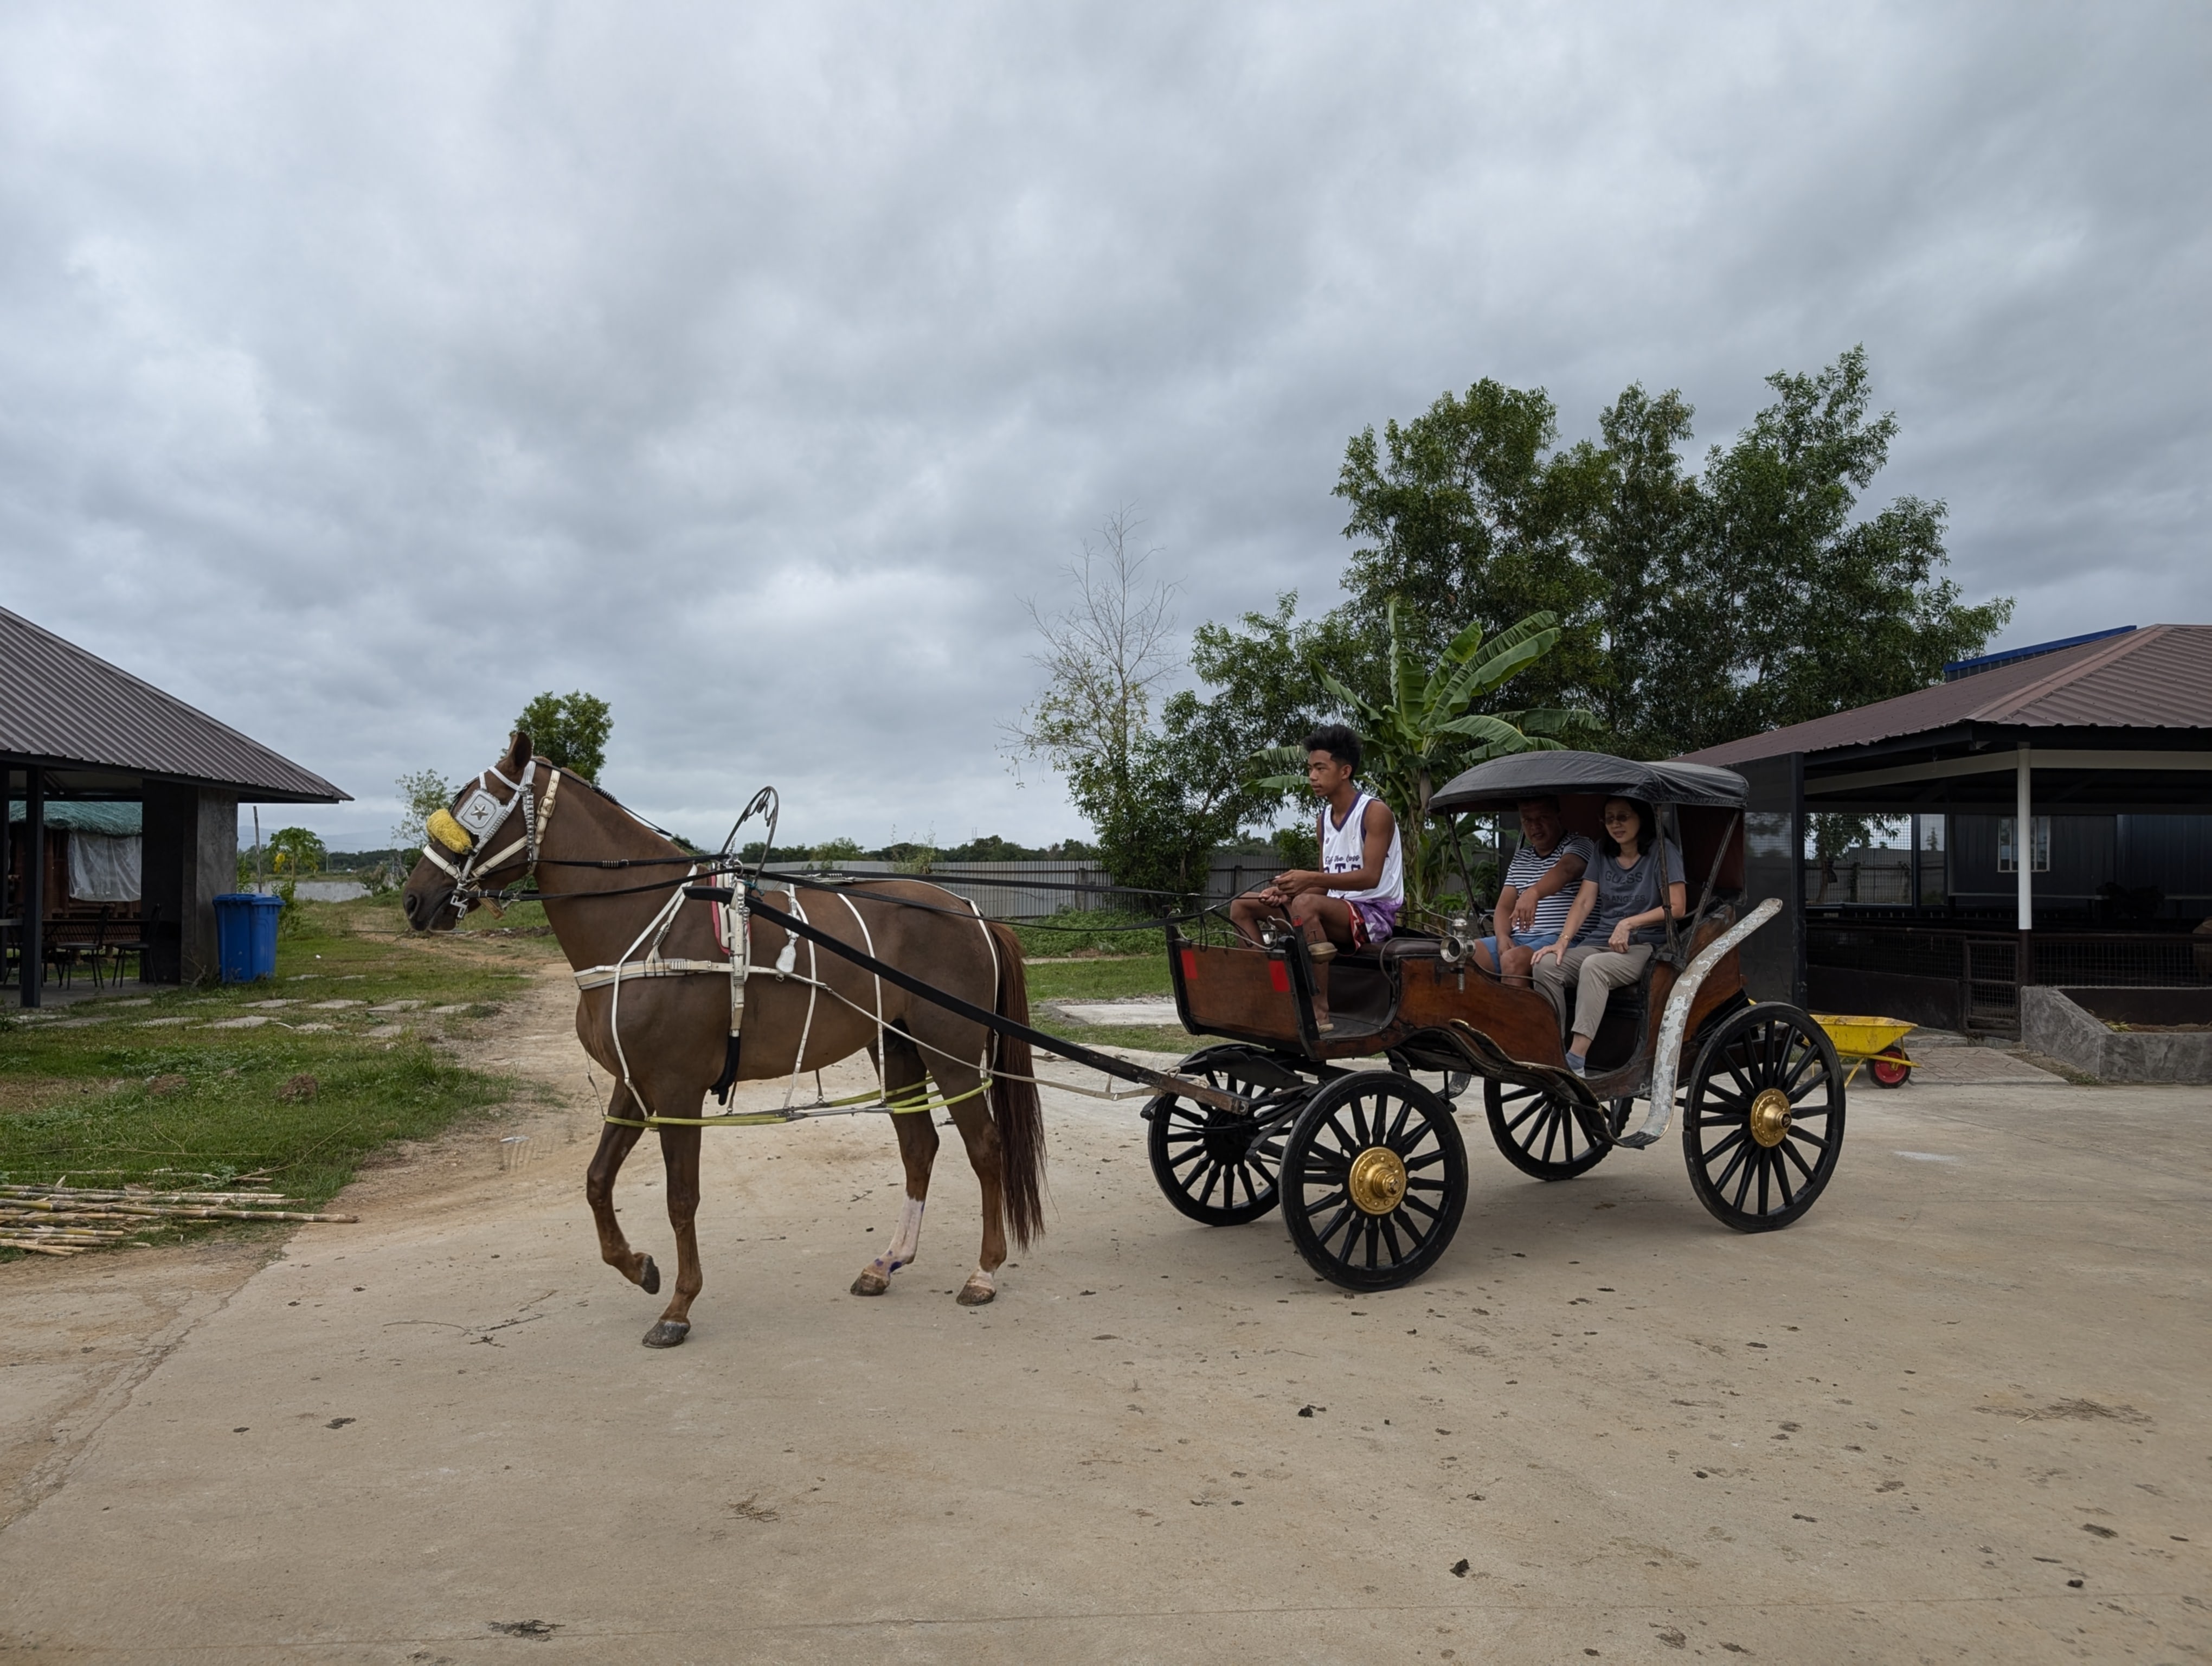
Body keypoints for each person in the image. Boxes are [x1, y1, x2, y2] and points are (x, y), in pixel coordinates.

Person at [1228, 725, 1402, 1031]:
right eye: (1310, 768)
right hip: (1330, 907)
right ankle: (1269, 989)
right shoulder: (1324, 819)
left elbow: (1371, 878)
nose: (1312, 776)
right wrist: (1287, 894)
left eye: (1321, 768)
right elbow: (1325, 881)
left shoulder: (1375, 812)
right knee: (1242, 906)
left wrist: (1307, 883)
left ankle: (1319, 1010)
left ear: (1345, 771)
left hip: (1373, 913)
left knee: (1307, 903)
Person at [1531, 796, 1686, 1075]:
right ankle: (1553, 1048)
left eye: (1623, 817)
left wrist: (1629, 923)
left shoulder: (1663, 852)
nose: (1616, 824)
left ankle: (1576, 1061)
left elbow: (1677, 906)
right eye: (1610, 818)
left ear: (1642, 818)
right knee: (1545, 965)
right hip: (1600, 941)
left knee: (1595, 968)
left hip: (1646, 945)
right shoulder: (1602, 851)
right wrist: (1561, 943)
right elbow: (1584, 902)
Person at [1472, 796, 1592, 986]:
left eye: (1542, 818)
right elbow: (1504, 907)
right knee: (1467, 954)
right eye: (1528, 820)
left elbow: (1568, 869)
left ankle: (1515, 1016)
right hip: (1520, 938)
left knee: (1512, 961)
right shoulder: (1521, 858)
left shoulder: (1579, 844)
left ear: (1558, 817)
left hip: (1563, 938)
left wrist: (1533, 893)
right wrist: (1503, 938)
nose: (1535, 826)